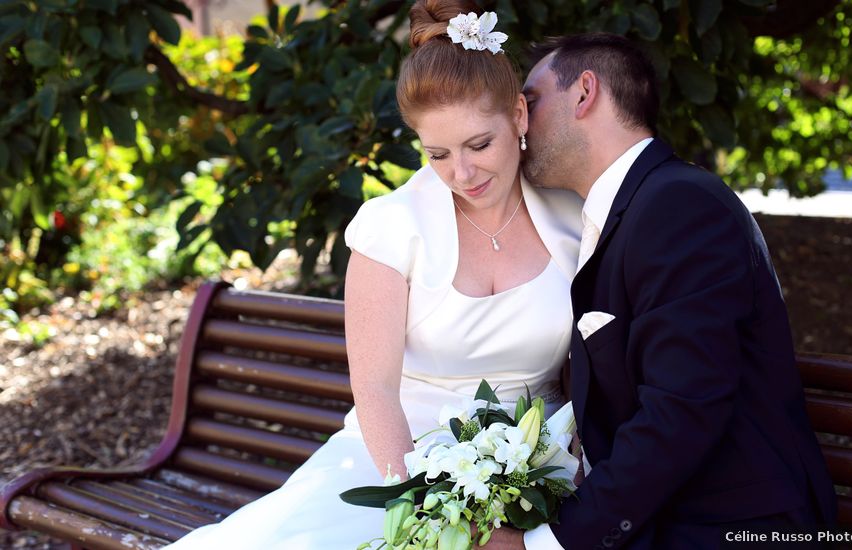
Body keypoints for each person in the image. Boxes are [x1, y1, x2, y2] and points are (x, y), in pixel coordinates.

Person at [164, 2, 582, 548]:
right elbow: (376, 391)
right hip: (394, 465)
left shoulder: (575, 216)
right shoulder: (391, 227)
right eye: (438, 153)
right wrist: (426, 511)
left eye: (480, 144)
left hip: (540, 467)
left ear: (519, 117)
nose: (463, 173)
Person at [485, 33, 838, 549]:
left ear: (585, 93)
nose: (518, 124)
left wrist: (550, 542)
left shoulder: (679, 206)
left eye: (531, 102)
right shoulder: (627, 210)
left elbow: (682, 410)